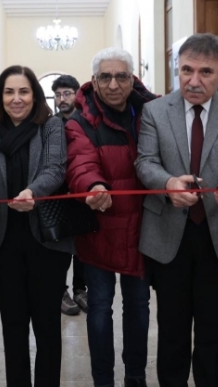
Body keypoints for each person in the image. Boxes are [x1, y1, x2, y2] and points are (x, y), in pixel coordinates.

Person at [135, 33, 218, 387]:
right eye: (186, 70)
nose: (193, 80)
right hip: (168, 237)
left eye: (205, 72)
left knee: (213, 331)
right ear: (178, 67)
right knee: (172, 330)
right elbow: (145, 162)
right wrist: (168, 183)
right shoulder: (155, 111)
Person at [0, 65, 73, 387]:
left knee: (47, 327)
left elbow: (55, 169)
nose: (16, 99)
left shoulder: (52, 127)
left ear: (35, 95)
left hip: (46, 242)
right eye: (9, 92)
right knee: (13, 327)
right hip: (3, 242)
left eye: (24, 91)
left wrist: (34, 192)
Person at [65, 49, 157, 387]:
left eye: (122, 76)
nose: (114, 84)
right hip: (100, 228)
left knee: (139, 306)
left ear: (133, 78)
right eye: (105, 77)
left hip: (143, 229)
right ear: (94, 81)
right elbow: (80, 163)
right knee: (100, 308)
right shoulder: (79, 121)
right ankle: (102, 379)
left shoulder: (152, 112)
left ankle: (135, 376)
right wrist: (93, 185)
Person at [51, 73, 88, 316]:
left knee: (83, 245)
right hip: (58, 192)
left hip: (83, 189)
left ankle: (80, 289)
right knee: (62, 245)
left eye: (66, 93)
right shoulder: (50, 124)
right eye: (57, 94)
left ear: (76, 94)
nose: (62, 99)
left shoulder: (87, 120)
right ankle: (61, 291)